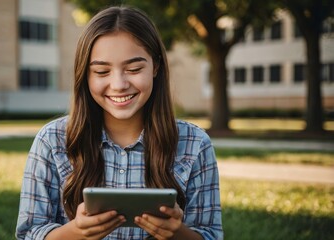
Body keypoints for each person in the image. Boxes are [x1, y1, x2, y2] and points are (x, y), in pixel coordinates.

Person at [16, 6, 223, 240]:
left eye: (134, 69)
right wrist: (76, 232)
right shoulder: (52, 140)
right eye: (102, 71)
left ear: (155, 66)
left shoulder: (195, 144)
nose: (118, 84)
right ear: (85, 75)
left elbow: (210, 235)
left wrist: (177, 233)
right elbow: (29, 233)